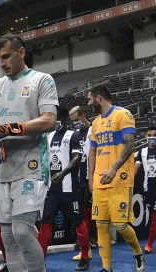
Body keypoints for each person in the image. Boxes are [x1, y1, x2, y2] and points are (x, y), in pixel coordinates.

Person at [0, 34, 58, 272]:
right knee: (8, 237)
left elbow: (49, 120)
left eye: (6, 56)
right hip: (1, 170)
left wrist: (9, 129)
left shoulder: (43, 80)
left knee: (21, 230)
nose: (2, 63)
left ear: (21, 52)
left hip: (31, 167)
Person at [87, 84, 145, 272]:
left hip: (119, 178)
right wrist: (91, 177)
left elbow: (130, 146)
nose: (88, 103)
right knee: (101, 225)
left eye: (90, 99)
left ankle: (138, 252)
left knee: (120, 225)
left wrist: (113, 169)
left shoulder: (123, 114)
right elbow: (92, 152)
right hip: (99, 181)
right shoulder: (95, 123)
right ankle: (106, 267)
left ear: (99, 98)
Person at [37, 107, 90, 271]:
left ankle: (85, 256)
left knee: (78, 221)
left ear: (62, 118)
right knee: (45, 221)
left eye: (55, 118)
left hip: (70, 188)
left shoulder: (72, 136)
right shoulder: (48, 136)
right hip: (52, 189)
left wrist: (64, 172)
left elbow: (77, 158)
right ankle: (40, 261)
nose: (53, 121)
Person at [69, 106, 96, 261]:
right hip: (78, 179)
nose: (75, 124)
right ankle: (86, 247)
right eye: (73, 122)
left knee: (90, 213)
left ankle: (92, 241)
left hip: (92, 178)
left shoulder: (94, 130)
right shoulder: (75, 134)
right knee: (81, 214)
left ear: (84, 115)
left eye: (77, 120)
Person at [134, 127, 156, 254]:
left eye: (155, 135)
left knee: (154, 217)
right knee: (153, 217)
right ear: (145, 137)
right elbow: (135, 168)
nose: (152, 137)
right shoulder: (142, 151)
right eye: (150, 135)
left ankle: (149, 244)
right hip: (148, 190)